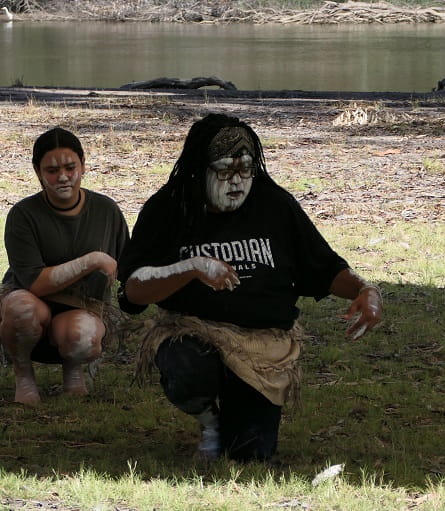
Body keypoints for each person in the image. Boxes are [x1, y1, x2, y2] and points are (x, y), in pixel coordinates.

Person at [116, 113, 383, 462]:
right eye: (224, 170)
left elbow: (324, 267)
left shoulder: (275, 205)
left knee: (250, 454)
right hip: (196, 334)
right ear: (199, 170)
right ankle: (209, 420)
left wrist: (365, 289)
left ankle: (240, 413)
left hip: (262, 347)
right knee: (184, 361)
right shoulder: (168, 208)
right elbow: (133, 290)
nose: (236, 181)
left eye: (245, 169)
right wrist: (191, 268)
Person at [0, 127, 129, 404]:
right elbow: (35, 283)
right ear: (37, 172)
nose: (62, 176)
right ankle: (23, 373)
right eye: (52, 170)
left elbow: (128, 265)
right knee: (20, 308)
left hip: (83, 308)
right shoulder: (22, 215)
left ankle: (74, 371)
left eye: (70, 167)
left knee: (83, 337)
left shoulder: (107, 210)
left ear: (83, 164)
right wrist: (92, 260)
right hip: (32, 302)